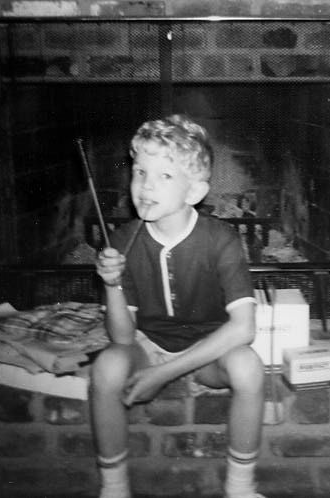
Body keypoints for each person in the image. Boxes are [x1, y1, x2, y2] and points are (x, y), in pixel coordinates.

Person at [91, 114, 266, 498]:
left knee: (249, 367)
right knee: (106, 367)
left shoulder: (221, 239)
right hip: (148, 346)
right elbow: (122, 338)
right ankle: (114, 488)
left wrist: (164, 374)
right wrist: (112, 283)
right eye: (140, 172)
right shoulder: (121, 240)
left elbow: (244, 328)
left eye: (165, 175)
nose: (146, 185)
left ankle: (240, 488)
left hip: (206, 352)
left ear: (194, 192)